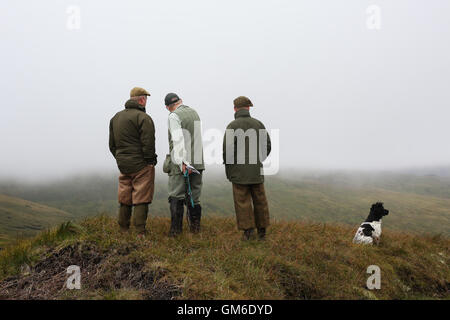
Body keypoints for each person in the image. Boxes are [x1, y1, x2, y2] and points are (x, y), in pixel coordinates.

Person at [109, 87, 157, 237]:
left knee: (125, 197)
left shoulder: (116, 117)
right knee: (141, 197)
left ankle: (123, 229)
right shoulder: (143, 118)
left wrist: (120, 158)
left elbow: (112, 144)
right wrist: (150, 161)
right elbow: (148, 142)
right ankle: (139, 232)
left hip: (123, 164)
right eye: (146, 99)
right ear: (142, 99)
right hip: (141, 164)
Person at [223, 96, 271, 240]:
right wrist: (258, 159)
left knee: (242, 201)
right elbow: (267, 146)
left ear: (235, 109)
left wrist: (231, 168)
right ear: (248, 108)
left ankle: (248, 232)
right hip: (256, 170)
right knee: (260, 200)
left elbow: (228, 151)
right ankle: (262, 231)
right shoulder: (259, 124)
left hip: (238, 172)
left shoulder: (232, 126)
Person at [163, 93, 205, 237]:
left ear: (168, 107)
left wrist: (182, 162)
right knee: (195, 197)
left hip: (181, 163)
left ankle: (176, 233)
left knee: (176, 195)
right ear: (181, 101)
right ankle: (195, 230)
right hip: (198, 161)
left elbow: (178, 139)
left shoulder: (174, 116)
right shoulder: (194, 113)